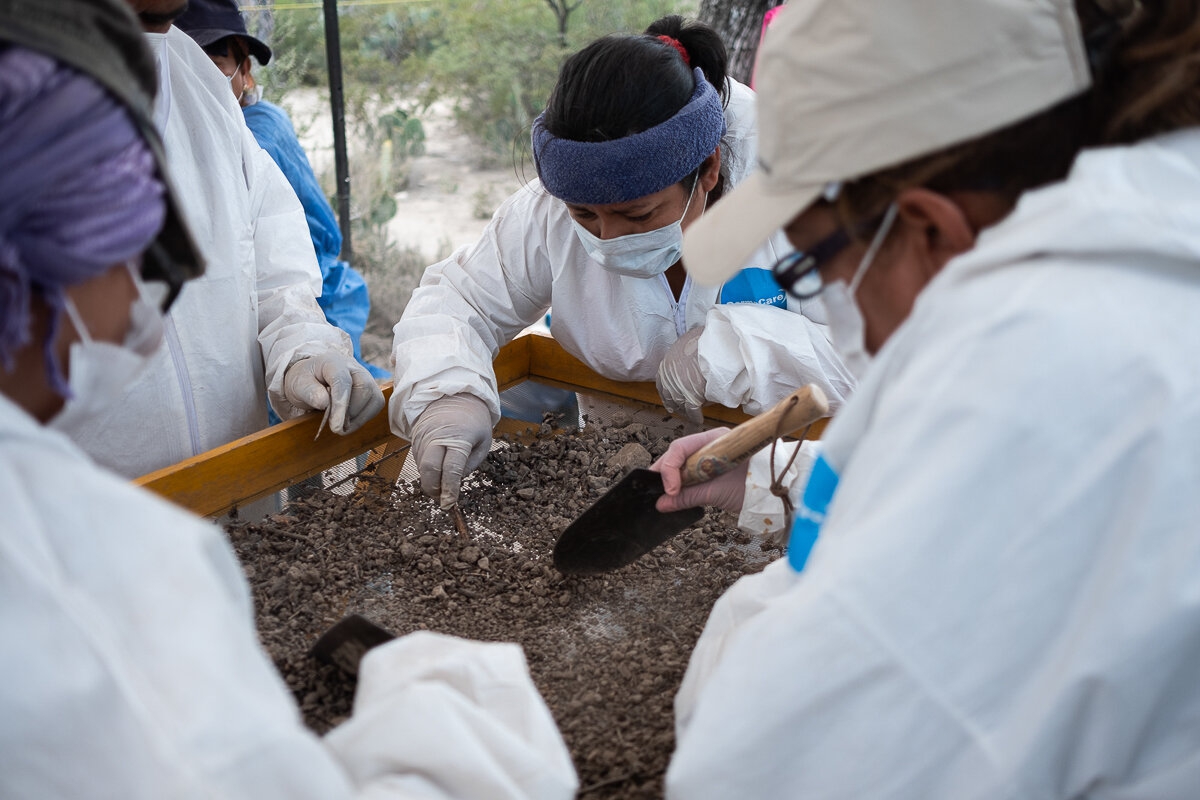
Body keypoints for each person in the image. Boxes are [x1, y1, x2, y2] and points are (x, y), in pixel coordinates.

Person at [0, 1, 578, 797]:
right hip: (119, 507)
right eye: (141, 254)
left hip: (238, 491)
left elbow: (269, 252)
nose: (152, 298)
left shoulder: (191, 80)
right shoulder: (70, 571)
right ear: (40, 267)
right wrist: (465, 725)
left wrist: (299, 344)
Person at [646, 0, 1200, 796]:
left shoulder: (1043, 367)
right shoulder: (1139, 247)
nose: (842, 313)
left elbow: (782, 765)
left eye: (817, 272)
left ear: (930, 227)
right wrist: (783, 475)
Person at [391, 15, 853, 511]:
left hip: (791, 489)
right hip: (616, 478)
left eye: (637, 213)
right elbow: (460, 299)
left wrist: (738, 350)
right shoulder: (550, 206)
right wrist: (446, 394)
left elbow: (901, 359)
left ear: (710, 170)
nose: (608, 238)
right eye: (584, 215)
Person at [52, 0, 385, 480]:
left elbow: (272, 276)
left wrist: (303, 353)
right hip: (72, 532)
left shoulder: (198, 82)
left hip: (240, 504)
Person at [175, 0, 388, 383]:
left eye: (214, 67)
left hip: (314, 294)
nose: (201, 83)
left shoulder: (257, 134)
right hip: (292, 296)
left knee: (335, 396)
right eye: (188, 66)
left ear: (246, 72)